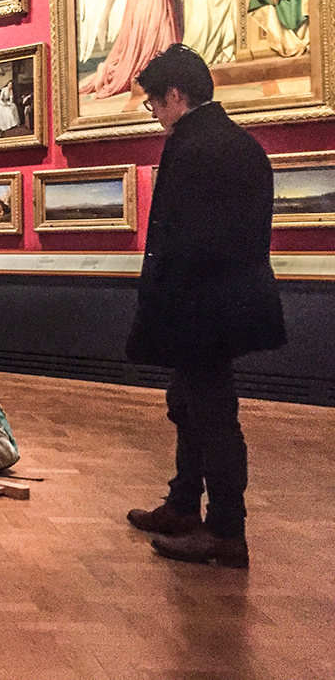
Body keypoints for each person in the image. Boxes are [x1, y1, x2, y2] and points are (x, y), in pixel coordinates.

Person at [124, 44, 286, 569]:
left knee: (212, 414)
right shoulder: (241, 144)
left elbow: (181, 241)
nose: (155, 114)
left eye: (155, 102)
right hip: (227, 302)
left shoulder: (195, 147)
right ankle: (183, 503)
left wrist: (162, 305)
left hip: (201, 307)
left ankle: (224, 529)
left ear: (176, 95)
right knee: (190, 405)